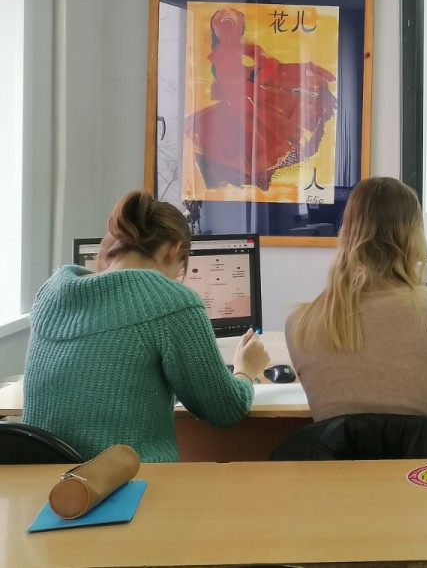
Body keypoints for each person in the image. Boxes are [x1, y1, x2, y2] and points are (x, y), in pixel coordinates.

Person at [23, 190, 271, 461]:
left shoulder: (51, 292)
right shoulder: (174, 301)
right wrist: (246, 370)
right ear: (174, 249)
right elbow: (225, 410)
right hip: (126, 480)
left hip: (44, 479)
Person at [286, 176, 427, 426]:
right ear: (414, 237)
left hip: (339, 454)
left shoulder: (299, 324)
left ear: (346, 233)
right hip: (426, 453)